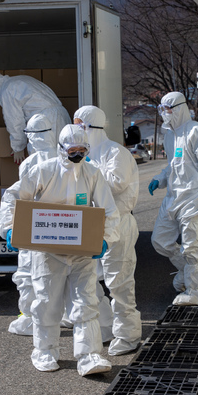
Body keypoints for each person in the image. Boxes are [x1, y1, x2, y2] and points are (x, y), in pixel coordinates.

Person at [0, 124, 120, 376]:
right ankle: (44, 351)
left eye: (82, 150)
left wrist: (105, 238)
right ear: (60, 148)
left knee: (86, 302)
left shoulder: (92, 173)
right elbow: (13, 197)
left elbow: (109, 210)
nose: (76, 154)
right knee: (46, 303)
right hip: (47, 252)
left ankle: (88, 355)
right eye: (71, 150)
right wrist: (9, 228)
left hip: (82, 253)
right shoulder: (43, 171)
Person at [73, 105, 142, 356]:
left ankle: (128, 335)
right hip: (92, 224)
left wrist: (90, 168)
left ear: (91, 125)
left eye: (80, 124)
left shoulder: (116, 152)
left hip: (117, 223)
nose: (76, 128)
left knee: (119, 281)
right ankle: (106, 326)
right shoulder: (83, 153)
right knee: (88, 279)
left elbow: (116, 183)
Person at [148, 92, 198, 306]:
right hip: (172, 198)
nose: (164, 113)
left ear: (179, 108)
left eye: (168, 109)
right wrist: (160, 178)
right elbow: (173, 164)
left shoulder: (197, 132)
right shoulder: (170, 134)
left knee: (191, 246)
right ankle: (187, 271)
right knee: (159, 241)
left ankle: (196, 291)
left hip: (192, 198)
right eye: (162, 109)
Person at [7, 113, 57, 336]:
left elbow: (21, 198)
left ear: (31, 137)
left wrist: (11, 227)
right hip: (62, 228)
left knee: (28, 274)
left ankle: (30, 319)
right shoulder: (63, 157)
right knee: (65, 276)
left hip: (35, 227)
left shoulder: (29, 163)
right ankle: (63, 316)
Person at [0, 72, 71, 164]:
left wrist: (18, 147)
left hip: (43, 121)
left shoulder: (6, 90)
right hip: (62, 114)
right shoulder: (21, 79)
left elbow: (15, 121)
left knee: (43, 161)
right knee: (65, 157)